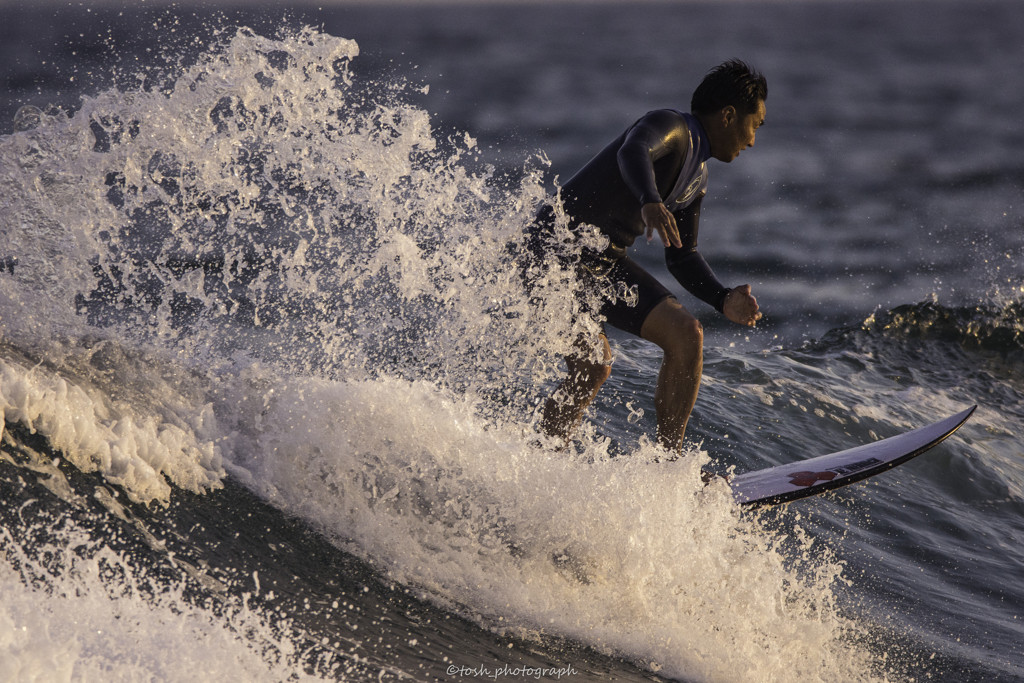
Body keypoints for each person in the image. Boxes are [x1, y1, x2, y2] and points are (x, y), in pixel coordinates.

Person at [529, 60, 766, 452]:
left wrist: (723, 299)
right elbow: (633, 148)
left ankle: (667, 464)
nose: (754, 140)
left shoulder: (697, 178)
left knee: (688, 335)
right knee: (593, 366)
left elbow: (683, 255)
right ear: (728, 116)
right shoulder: (672, 127)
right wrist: (650, 199)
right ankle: (538, 455)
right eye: (754, 125)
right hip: (552, 253)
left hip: (601, 263)